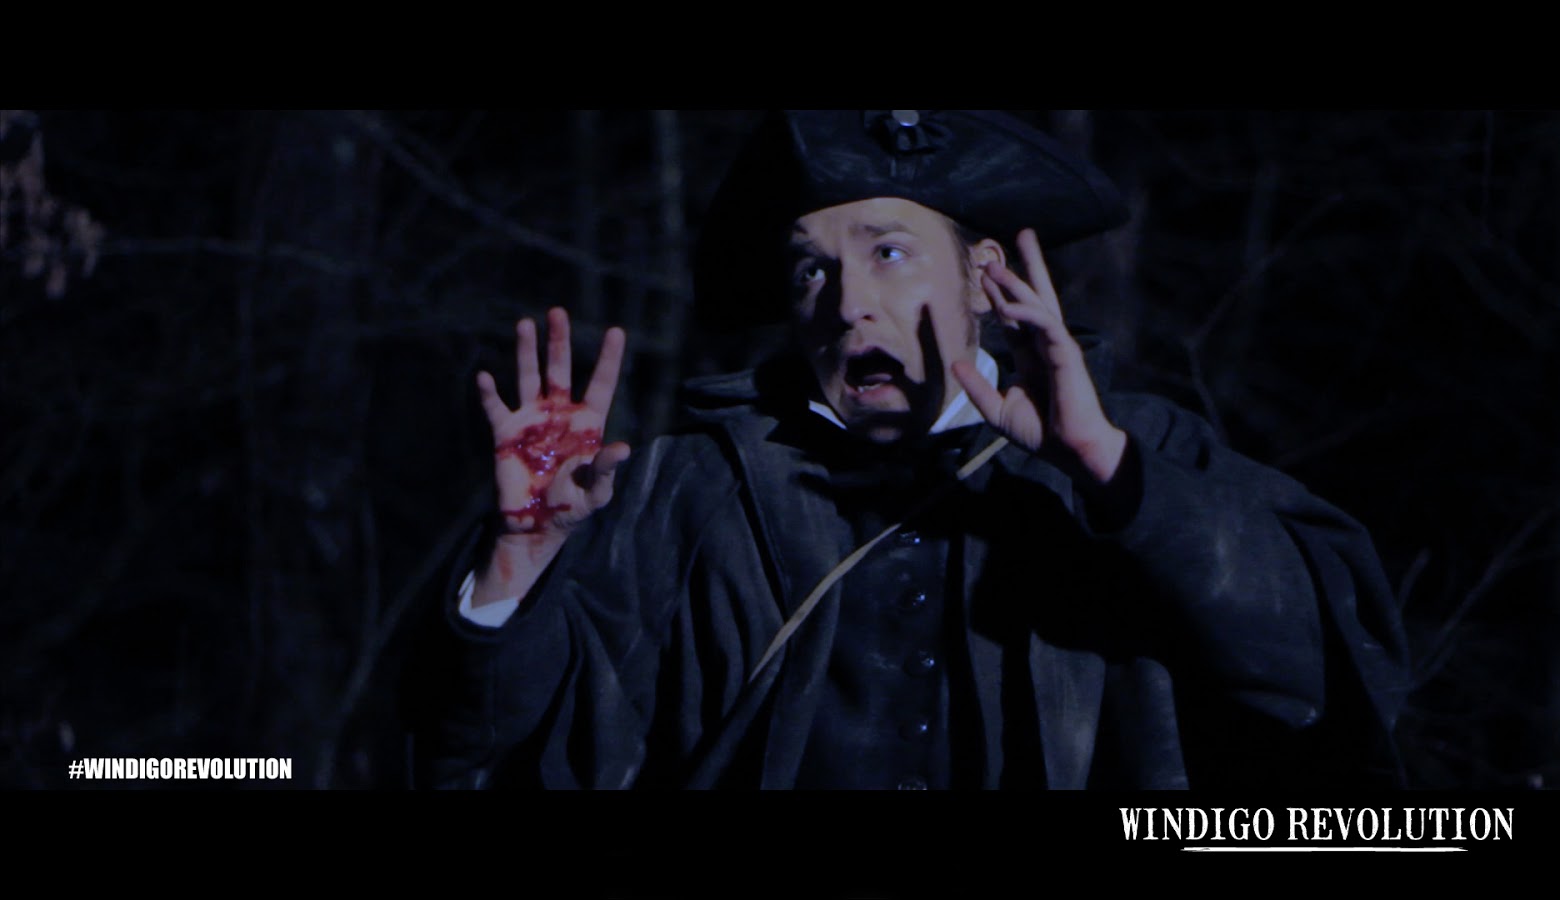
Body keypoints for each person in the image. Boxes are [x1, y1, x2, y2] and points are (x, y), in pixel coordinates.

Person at [406, 110, 1410, 790]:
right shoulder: (685, 494)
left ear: (982, 277)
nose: (847, 302)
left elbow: (1325, 675)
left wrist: (1110, 471)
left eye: (887, 253)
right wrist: (518, 565)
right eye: (811, 271)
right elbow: (487, 762)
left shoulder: (1132, 456)